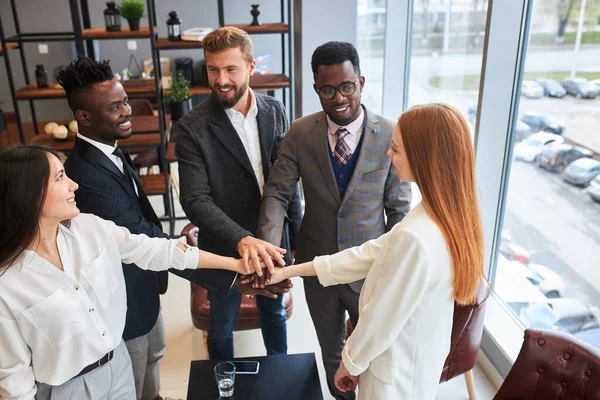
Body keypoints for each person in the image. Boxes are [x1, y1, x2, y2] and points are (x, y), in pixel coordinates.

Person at [56, 57, 290, 400]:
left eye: (125, 102)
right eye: (115, 107)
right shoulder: (88, 177)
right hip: (125, 306)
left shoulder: (111, 153)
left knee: (153, 374)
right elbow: (147, 239)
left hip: (145, 292)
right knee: (136, 386)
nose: (126, 112)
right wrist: (227, 275)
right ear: (84, 117)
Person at [0, 145, 260, 400]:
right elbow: (13, 379)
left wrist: (234, 265)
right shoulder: (7, 284)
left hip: (119, 364)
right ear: (29, 193)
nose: (73, 184)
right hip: (66, 390)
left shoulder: (90, 228)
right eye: (60, 177)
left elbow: (158, 250)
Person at [263, 103, 484, 400]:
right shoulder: (440, 217)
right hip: (417, 363)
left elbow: (382, 318)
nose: (389, 155)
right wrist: (291, 270)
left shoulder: (415, 237)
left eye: (396, 149)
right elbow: (368, 253)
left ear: (424, 159)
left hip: (394, 381)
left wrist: (349, 364)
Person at [256, 41, 411, 399]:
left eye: (346, 87)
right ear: (316, 90)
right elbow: (277, 193)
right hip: (317, 263)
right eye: (328, 90)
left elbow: (399, 210)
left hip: (369, 269)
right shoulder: (300, 132)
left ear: (361, 82)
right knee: (331, 353)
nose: (339, 97)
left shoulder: (390, 134)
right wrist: (267, 246)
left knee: (373, 352)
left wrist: (395, 267)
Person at [175, 26, 302, 361]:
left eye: (231, 69)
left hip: (273, 239)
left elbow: (287, 180)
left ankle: (279, 374)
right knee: (221, 326)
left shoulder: (276, 110)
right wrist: (242, 239)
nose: (221, 80)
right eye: (213, 69)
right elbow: (194, 199)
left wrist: (298, 235)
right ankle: (222, 386)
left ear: (251, 67)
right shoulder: (191, 128)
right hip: (225, 247)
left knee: (273, 314)